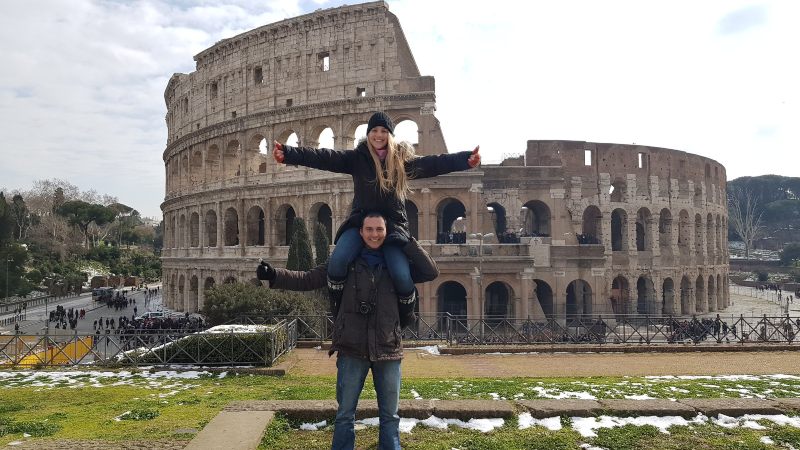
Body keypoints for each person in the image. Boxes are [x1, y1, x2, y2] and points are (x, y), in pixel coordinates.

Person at [257, 212, 439, 450]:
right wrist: (275, 275)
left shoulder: (399, 265)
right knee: (345, 414)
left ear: (387, 233)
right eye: (370, 229)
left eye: (379, 230)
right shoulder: (346, 263)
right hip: (351, 347)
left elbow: (430, 271)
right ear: (360, 233)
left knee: (390, 415)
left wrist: (408, 242)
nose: (374, 234)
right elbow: (308, 278)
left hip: (387, 347)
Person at [273, 111, 478, 308]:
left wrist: (465, 160)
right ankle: (336, 304)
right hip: (361, 223)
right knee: (337, 263)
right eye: (374, 130)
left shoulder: (400, 161)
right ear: (368, 133)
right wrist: (289, 153)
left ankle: (406, 314)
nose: (378, 135)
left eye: (383, 131)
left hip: (393, 227)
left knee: (401, 275)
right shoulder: (356, 159)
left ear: (390, 135)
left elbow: (434, 163)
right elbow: (323, 157)